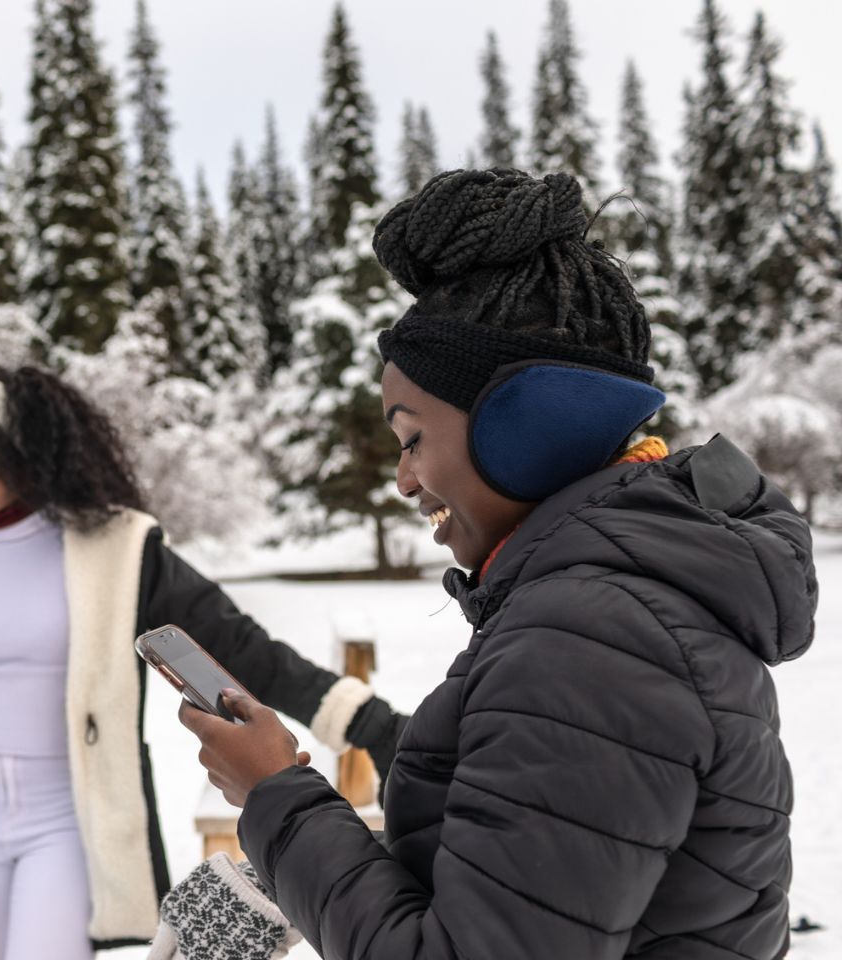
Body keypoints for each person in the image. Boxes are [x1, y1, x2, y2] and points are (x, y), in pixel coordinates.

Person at [180, 168, 816, 959]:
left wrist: (278, 799)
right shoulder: (618, 611)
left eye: (412, 439)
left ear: (526, 428)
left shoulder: (592, 641)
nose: (404, 479)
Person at [0, 365, 407, 960]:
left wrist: (367, 721)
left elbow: (242, 650)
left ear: (24, 447)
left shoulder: (117, 551)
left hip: (65, 828)